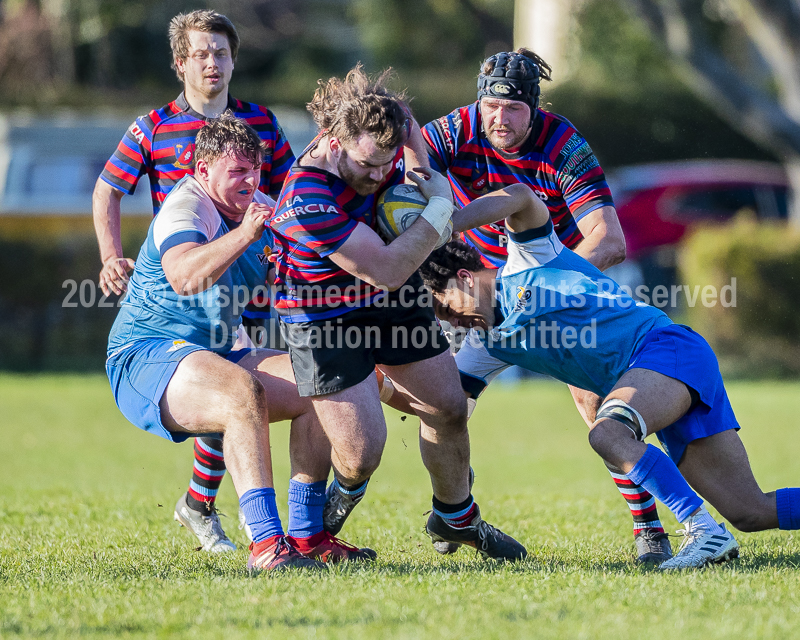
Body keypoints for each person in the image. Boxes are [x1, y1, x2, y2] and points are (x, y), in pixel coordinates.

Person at [417, 185, 800, 569]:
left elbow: (519, 196)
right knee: (751, 512)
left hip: (668, 349)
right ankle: (711, 528)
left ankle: (702, 531)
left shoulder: (530, 258)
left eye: (445, 307)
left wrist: (447, 222)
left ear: (465, 278)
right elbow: (442, 405)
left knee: (607, 433)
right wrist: (377, 380)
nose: (449, 321)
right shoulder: (483, 346)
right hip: (654, 379)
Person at [421, 49, 671, 563]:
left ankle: (649, 529)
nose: (500, 119)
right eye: (491, 106)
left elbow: (609, 239)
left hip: (554, 292)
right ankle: (453, 507)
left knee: (593, 404)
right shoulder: (455, 129)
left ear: (534, 107)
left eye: (513, 109)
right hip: (482, 293)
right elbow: (405, 166)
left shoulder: (564, 145)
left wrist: (548, 293)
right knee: (442, 401)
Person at [268, 65, 526, 560]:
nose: (377, 176)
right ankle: (339, 495)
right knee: (363, 453)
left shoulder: (383, 131)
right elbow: (385, 269)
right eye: (367, 165)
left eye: (386, 164)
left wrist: (421, 170)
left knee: (449, 407)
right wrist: (438, 207)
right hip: (322, 317)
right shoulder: (307, 198)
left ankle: (456, 519)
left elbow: (405, 119)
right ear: (334, 142)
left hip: (389, 303)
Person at [106, 114, 382, 571]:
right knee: (240, 391)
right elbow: (184, 277)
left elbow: (301, 276)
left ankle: (308, 535)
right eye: (237, 171)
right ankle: (266, 544)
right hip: (146, 355)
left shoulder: (261, 208)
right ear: (202, 171)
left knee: (319, 383)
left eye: (255, 169)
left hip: (216, 351)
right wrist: (247, 236)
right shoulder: (187, 209)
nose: (250, 179)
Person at [92, 9, 294, 552]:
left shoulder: (261, 126)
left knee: (288, 385)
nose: (213, 62)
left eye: (221, 52)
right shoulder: (155, 127)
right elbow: (108, 190)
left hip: (238, 276)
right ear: (181, 63)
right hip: (181, 282)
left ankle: (296, 529)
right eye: (201, 53)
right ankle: (252, 531)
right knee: (232, 392)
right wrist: (111, 255)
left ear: (234, 60)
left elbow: (292, 202)